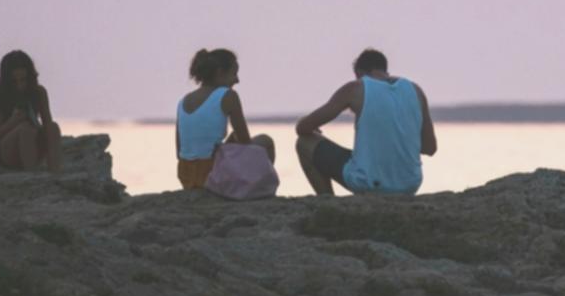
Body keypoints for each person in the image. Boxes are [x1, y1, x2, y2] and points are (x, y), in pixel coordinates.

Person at [294, 48, 436, 196]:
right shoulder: (415, 90)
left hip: (370, 183)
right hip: (410, 185)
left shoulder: (356, 88)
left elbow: (303, 129)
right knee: (361, 157)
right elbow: (429, 148)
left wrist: (307, 123)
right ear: (385, 70)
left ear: (360, 73)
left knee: (304, 143)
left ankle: (327, 199)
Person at [175, 48, 275, 190]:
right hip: (213, 175)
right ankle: (261, 188)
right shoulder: (228, 95)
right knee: (265, 141)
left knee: (233, 136)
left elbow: (180, 152)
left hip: (186, 175)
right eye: (234, 73)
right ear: (220, 72)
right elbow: (246, 141)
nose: (237, 80)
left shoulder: (183, 101)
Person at [0, 50, 63, 172]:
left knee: (53, 127)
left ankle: (55, 174)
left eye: (23, 80)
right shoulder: (2, 95)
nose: (20, 86)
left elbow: (47, 124)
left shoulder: (39, 92)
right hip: (8, 151)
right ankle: (32, 176)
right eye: (15, 82)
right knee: (25, 129)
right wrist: (14, 121)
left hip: (32, 142)